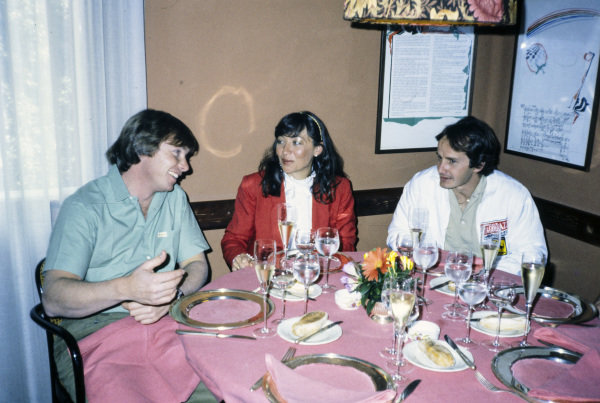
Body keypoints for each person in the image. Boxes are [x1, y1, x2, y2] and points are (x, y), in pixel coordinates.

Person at [42, 109, 217, 402]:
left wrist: (171, 297)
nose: (185, 166)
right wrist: (126, 288)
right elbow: (53, 299)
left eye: (186, 156)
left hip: (168, 325)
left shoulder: (174, 198)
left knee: (227, 383)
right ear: (142, 148)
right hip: (97, 335)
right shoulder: (85, 206)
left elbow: (197, 264)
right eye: (176, 153)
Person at [387, 116, 547, 275]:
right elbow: (397, 234)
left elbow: (532, 254)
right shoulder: (421, 184)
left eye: (452, 161)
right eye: (440, 158)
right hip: (432, 278)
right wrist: (432, 258)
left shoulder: (513, 195)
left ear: (478, 165)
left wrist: (480, 273)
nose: (441, 168)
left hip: (488, 285)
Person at [222, 111, 357, 270]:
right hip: (270, 276)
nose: (285, 151)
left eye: (296, 142)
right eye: (281, 142)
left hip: (315, 276)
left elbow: (346, 243)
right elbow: (234, 239)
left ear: (317, 150)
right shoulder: (254, 185)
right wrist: (238, 257)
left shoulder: (339, 188)